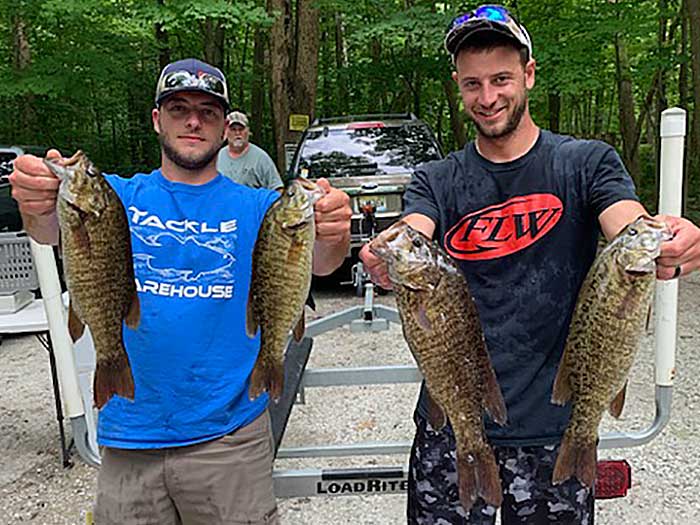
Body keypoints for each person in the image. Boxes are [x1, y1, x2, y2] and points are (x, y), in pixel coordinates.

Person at [359, 5, 700, 525]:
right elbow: (412, 232)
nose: (488, 97)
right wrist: (385, 251)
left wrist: (667, 240)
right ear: (458, 85)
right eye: (473, 84)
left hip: (554, 426)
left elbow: (627, 223)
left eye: (501, 79)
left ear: (529, 74)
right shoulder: (436, 179)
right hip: (452, 426)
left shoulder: (586, 163)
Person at [10, 57, 351, 525]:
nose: (193, 121)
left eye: (208, 111)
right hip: (131, 436)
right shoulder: (117, 196)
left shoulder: (260, 205)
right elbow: (48, 227)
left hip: (230, 439)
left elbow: (322, 262)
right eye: (178, 108)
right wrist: (35, 195)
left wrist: (333, 232)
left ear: (224, 124)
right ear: (157, 120)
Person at [217, 110, 284, 190]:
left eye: (241, 129)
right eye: (233, 129)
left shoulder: (261, 158)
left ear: (248, 131)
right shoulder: (217, 157)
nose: (237, 133)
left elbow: (278, 189)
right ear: (226, 132)